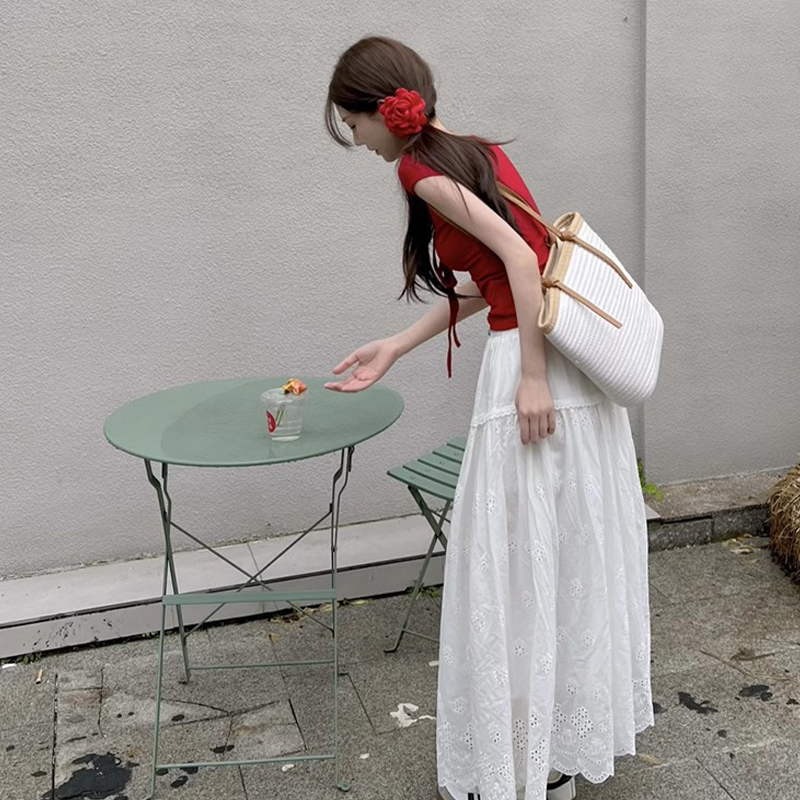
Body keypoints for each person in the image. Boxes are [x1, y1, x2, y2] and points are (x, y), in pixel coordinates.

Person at [323, 36, 654, 800]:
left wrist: (530, 379)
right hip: (566, 364)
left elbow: (521, 261)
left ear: (379, 112)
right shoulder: (470, 152)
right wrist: (398, 345)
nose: (358, 140)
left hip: (530, 367)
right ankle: (551, 758)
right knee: (563, 558)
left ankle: (532, 763)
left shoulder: (419, 170)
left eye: (354, 123)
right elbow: (503, 269)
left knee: (516, 563)